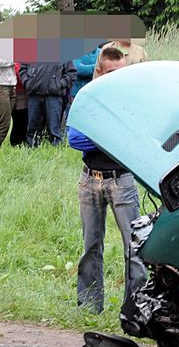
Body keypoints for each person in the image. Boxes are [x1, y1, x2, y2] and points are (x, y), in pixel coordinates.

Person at [68, 47, 146, 314]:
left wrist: (98, 137)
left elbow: (134, 138)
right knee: (90, 246)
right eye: (112, 72)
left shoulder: (129, 102)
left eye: (121, 73)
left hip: (121, 181)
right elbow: (74, 139)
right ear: (99, 71)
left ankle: (136, 310)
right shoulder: (87, 99)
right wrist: (112, 138)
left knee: (134, 247)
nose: (117, 78)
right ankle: (89, 307)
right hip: (90, 180)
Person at [17, 61, 76, 147]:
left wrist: (58, 85)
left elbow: (71, 73)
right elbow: (22, 70)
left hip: (54, 96)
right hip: (34, 95)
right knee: (32, 128)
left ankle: (57, 153)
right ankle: (32, 151)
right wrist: (28, 83)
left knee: (54, 129)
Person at [10, 62, 28, 146]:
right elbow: (19, 74)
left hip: (23, 93)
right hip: (19, 94)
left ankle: (19, 142)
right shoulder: (17, 61)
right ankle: (16, 143)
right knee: (20, 121)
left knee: (21, 121)